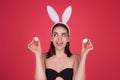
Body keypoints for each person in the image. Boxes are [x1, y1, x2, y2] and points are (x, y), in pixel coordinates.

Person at [28, 22, 94, 80]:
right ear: (51, 38)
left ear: (68, 38)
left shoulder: (75, 58)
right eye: (56, 35)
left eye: (63, 35)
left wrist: (84, 56)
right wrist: (37, 54)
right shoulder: (43, 57)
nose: (59, 38)